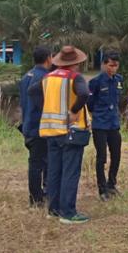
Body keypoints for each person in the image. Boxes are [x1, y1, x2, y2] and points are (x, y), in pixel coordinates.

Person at [29, 45, 91, 224]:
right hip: (70, 131)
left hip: (51, 131)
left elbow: (31, 92)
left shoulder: (48, 77)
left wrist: (46, 106)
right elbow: (84, 94)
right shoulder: (75, 77)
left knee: (54, 171)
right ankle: (68, 212)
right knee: (70, 171)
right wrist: (74, 110)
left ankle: (53, 209)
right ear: (76, 62)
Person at [18, 46, 52, 208]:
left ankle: (37, 195)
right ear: (48, 58)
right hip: (40, 126)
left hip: (28, 124)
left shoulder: (26, 76)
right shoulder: (45, 78)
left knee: (36, 162)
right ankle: (37, 198)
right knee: (39, 163)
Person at [88, 51, 123, 201]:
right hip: (100, 124)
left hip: (113, 124)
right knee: (101, 157)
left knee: (116, 155)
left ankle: (111, 184)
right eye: (110, 65)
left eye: (115, 66)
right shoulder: (95, 82)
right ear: (103, 64)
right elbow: (89, 103)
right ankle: (102, 189)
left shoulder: (119, 80)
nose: (113, 69)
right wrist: (97, 113)